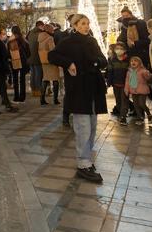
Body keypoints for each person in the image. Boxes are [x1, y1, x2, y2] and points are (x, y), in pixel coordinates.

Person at [48, 14, 109, 183]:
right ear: (74, 25)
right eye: (82, 23)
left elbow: (103, 60)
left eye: (87, 23)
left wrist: (96, 63)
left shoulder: (92, 41)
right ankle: (83, 163)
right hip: (79, 89)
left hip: (94, 89)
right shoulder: (68, 42)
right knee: (83, 128)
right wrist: (69, 63)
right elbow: (52, 56)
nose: (86, 26)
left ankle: (87, 159)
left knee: (93, 126)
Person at [124, 56, 152, 127]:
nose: (133, 62)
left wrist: (148, 74)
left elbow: (149, 77)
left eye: (135, 61)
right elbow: (127, 81)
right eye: (132, 61)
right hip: (133, 91)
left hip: (142, 90)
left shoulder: (143, 71)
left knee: (141, 104)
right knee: (136, 105)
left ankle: (149, 114)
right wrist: (126, 89)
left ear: (140, 63)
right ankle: (140, 118)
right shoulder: (129, 72)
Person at [104, 42, 129, 123]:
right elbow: (110, 72)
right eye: (117, 48)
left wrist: (132, 84)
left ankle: (123, 116)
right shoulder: (112, 60)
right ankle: (120, 113)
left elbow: (131, 73)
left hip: (125, 84)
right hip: (116, 83)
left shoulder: (128, 60)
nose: (119, 50)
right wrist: (108, 83)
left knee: (124, 100)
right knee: (118, 100)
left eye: (121, 49)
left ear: (125, 50)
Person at [7, 25, 31, 103]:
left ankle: (16, 97)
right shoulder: (23, 40)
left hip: (14, 61)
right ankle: (22, 97)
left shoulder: (10, 41)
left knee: (15, 79)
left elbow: (7, 53)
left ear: (12, 31)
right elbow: (28, 52)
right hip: (23, 61)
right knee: (22, 79)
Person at [39, 24, 61, 106]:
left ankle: (42, 99)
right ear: (49, 30)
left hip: (43, 61)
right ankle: (55, 99)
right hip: (51, 61)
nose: (53, 31)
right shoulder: (50, 38)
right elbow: (53, 50)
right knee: (55, 79)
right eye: (52, 29)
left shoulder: (40, 38)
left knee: (45, 79)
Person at [26, 20, 44, 97]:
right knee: (38, 74)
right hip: (37, 56)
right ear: (40, 26)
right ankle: (38, 90)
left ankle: (33, 90)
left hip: (30, 57)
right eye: (42, 26)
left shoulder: (30, 33)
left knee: (33, 74)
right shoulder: (40, 34)